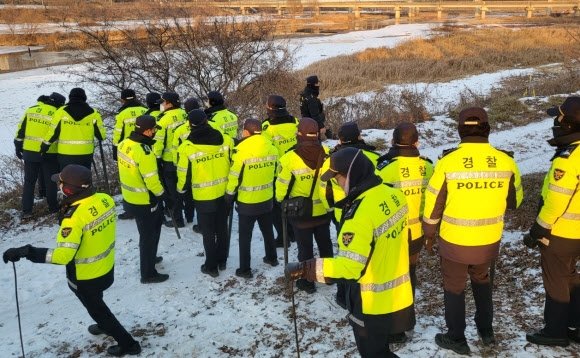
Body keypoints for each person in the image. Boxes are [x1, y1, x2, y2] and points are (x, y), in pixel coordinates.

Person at [285, 147, 415, 358]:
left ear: (353, 174)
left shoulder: (359, 215)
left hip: (371, 302)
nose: (336, 183)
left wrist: (305, 268)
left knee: (373, 354)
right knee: (382, 351)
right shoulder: (394, 195)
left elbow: (350, 267)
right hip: (399, 294)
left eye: (338, 178)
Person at [2, 164, 141, 357]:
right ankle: (103, 324)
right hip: (106, 267)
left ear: (68, 189)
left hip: (85, 278)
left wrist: (28, 252)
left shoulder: (73, 218)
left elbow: (63, 256)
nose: (58, 185)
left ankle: (129, 344)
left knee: (99, 310)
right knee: (98, 305)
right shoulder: (105, 199)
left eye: (60, 183)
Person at [422, 107, 523, 355]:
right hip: (488, 241)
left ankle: (456, 337)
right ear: (488, 128)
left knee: (454, 287)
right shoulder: (506, 161)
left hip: (455, 241)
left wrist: (429, 234)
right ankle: (486, 331)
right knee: (482, 281)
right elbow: (515, 201)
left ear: (459, 130)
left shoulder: (448, 162)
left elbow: (434, 205)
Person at [524, 96, 580, 347]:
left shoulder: (568, 159)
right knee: (570, 277)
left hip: (562, 232)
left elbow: (557, 201)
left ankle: (555, 331)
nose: (554, 122)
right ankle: (575, 325)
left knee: (557, 279)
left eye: (557, 117)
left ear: (568, 123)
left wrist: (539, 229)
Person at [377, 121, 434, 343]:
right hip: (417, 233)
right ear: (416, 142)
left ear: (392, 141)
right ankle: (408, 320)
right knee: (410, 273)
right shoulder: (428, 167)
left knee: (393, 278)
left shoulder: (384, 168)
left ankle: (395, 328)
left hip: (393, 234)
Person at [276, 117, 332, 294]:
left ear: (299, 134)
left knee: (305, 249)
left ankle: (307, 282)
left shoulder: (289, 158)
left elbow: (281, 189)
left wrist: (281, 201)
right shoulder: (327, 152)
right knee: (325, 244)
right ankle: (329, 276)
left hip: (301, 214)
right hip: (323, 210)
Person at [176, 109, 234, 277]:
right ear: (207, 121)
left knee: (208, 232)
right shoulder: (225, 140)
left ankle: (211, 266)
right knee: (222, 228)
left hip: (203, 197)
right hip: (224, 193)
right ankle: (222, 260)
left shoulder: (186, 147)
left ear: (189, 125)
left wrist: (180, 193)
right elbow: (233, 163)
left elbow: (184, 175)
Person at [118, 115, 169, 284]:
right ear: (147, 131)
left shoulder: (125, 143)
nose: (155, 132)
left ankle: (151, 258)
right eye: (154, 129)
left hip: (129, 197)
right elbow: (152, 181)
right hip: (145, 200)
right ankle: (148, 274)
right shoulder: (144, 152)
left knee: (146, 233)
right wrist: (164, 196)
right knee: (149, 235)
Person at [225, 118, 279, 279]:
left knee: (245, 236)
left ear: (246, 132)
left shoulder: (241, 151)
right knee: (268, 230)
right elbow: (276, 173)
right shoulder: (272, 148)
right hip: (267, 198)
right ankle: (272, 258)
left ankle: (245, 269)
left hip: (247, 201)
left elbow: (234, 176)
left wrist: (229, 195)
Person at [14, 93, 65, 218]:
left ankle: (27, 211)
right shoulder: (57, 113)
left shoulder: (31, 110)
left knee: (29, 181)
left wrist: (18, 146)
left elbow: (21, 130)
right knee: (50, 181)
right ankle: (53, 207)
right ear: (59, 104)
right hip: (49, 152)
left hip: (30, 152)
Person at [261, 94, 299, 247]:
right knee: (293, 201)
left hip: (278, 171)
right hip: (296, 167)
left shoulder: (267, 127)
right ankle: (294, 233)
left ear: (270, 108)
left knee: (276, 207)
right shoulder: (295, 122)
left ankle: (283, 237)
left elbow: (265, 150)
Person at [41, 88, 106, 170]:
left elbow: (53, 133)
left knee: (66, 180)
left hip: (65, 154)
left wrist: (44, 147)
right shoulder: (94, 113)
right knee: (83, 179)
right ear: (84, 97)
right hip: (85, 154)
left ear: (70, 97)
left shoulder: (61, 112)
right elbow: (101, 136)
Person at [153, 92, 188, 228]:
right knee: (184, 188)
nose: (161, 105)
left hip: (169, 162)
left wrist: (156, 158)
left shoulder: (163, 120)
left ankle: (178, 219)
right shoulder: (185, 113)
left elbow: (158, 142)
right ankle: (188, 214)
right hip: (186, 157)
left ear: (170, 103)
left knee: (172, 192)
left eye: (163, 102)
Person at [113, 89, 148, 220]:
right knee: (147, 178)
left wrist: (115, 152)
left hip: (127, 151)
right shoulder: (144, 110)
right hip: (145, 149)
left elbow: (117, 135)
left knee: (129, 182)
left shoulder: (122, 114)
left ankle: (130, 210)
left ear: (122, 99)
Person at [171, 97, 201, 230]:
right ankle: (189, 216)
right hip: (201, 164)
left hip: (185, 165)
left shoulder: (180, 130)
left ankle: (180, 219)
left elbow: (175, 150)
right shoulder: (209, 124)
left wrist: (177, 165)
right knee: (194, 194)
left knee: (181, 192)